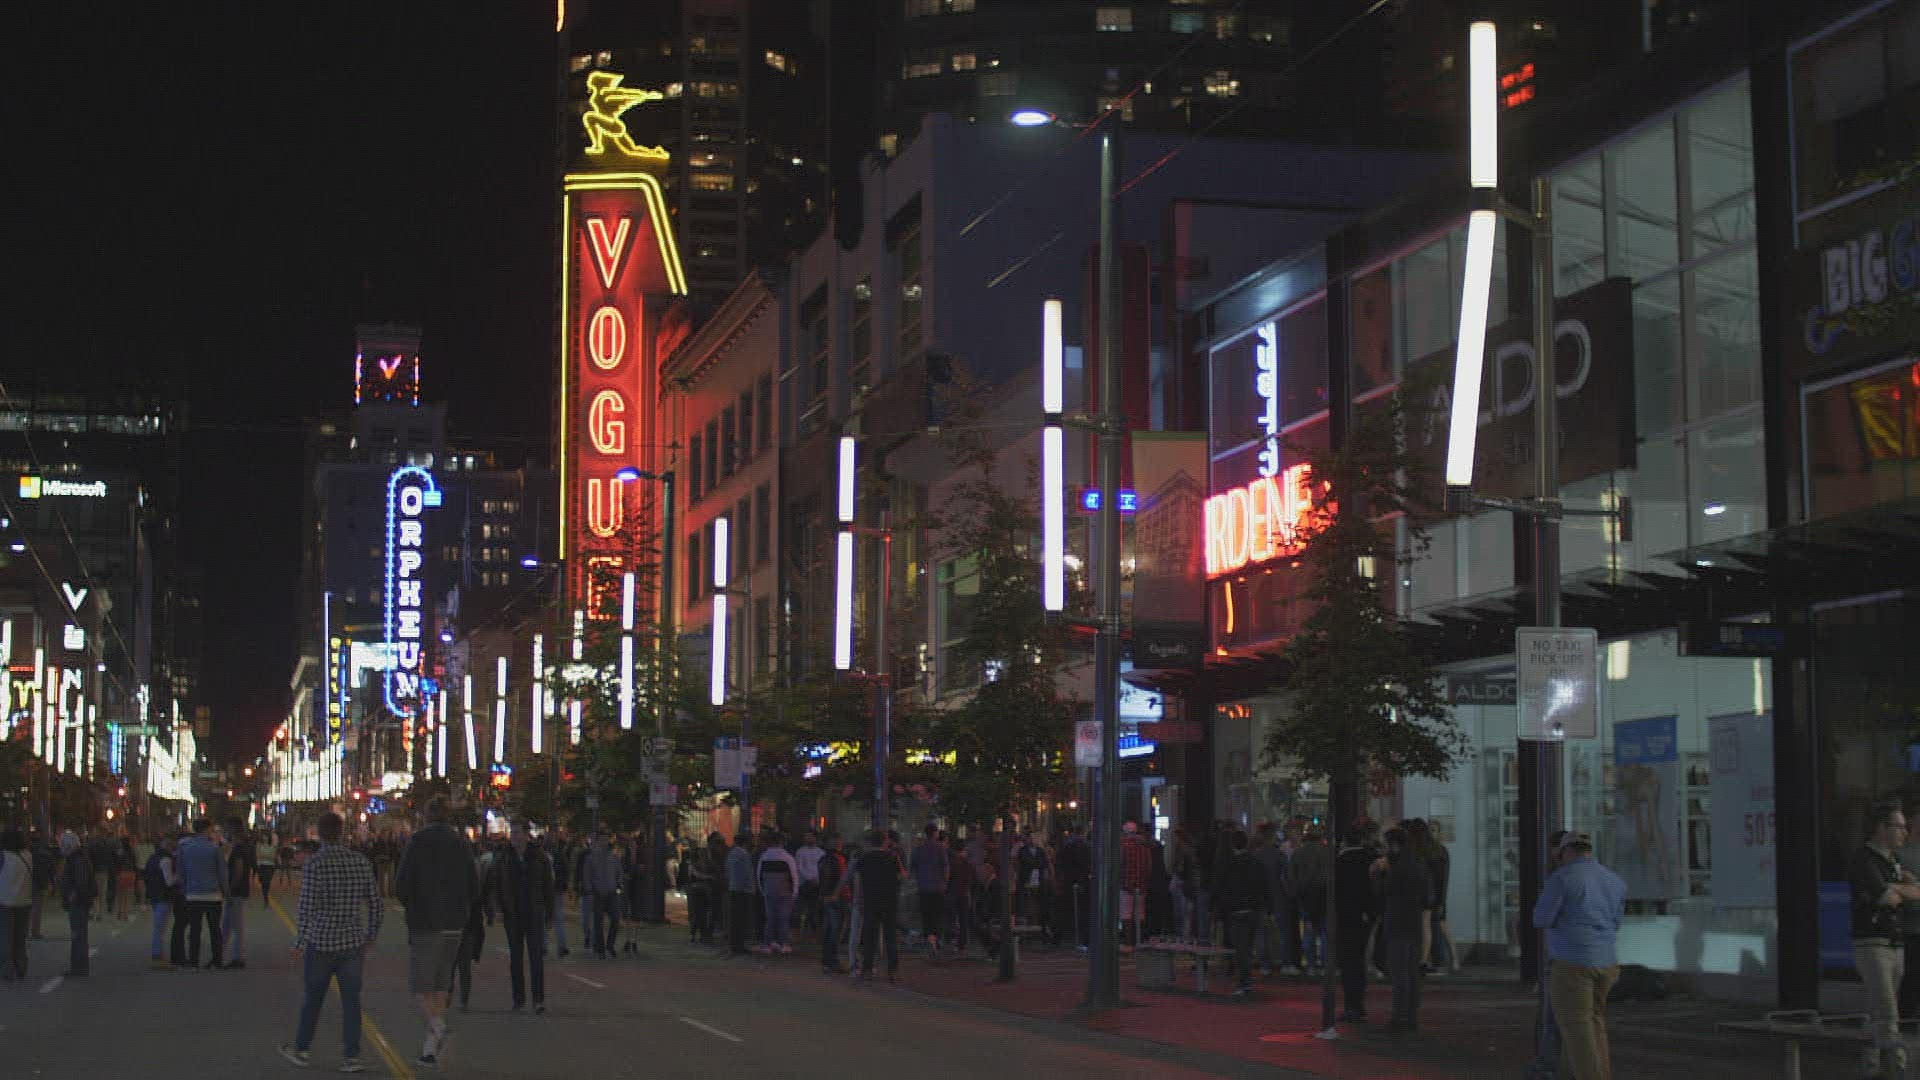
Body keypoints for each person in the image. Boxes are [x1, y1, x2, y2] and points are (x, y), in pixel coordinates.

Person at [279, 811, 381, 1073]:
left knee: (313, 998)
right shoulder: (360, 861)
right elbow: (375, 902)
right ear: (342, 832)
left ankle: (302, 1049)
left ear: (320, 834)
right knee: (351, 1001)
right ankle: (351, 1056)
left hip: (322, 940)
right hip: (352, 941)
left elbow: (307, 907)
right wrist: (371, 933)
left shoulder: (315, 864)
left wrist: (299, 942)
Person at [392, 798, 480, 1069]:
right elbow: (473, 885)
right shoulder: (461, 844)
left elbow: (401, 885)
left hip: (426, 923)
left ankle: (440, 1029)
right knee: (441, 986)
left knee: (421, 987)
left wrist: (413, 905)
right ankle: (429, 1050)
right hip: (455, 923)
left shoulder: (418, 842)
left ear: (427, 816)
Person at [1532, 831, 1627, 1080]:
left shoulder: (1562, 878)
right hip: (1607, 961)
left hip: (1572, 962)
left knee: (1577, 1031)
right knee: (1595, 1024)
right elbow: (1616, 922)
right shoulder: (1614, 880)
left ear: (1565, 852)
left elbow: (1541, 918)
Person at [1852, 804, 1920, 1080]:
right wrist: (1897, 890)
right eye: (1899, 827)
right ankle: (1897, 1068)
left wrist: (1895, 887)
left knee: (1877, 1009)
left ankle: (1872, 1066)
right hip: (1873, 942)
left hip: (1895, 941)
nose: (1904, 832)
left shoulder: (1894, 861)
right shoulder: (1865, 859)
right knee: (1887, 1010)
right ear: (1881, 828)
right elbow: (1886, 897)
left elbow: (1916, 890)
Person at [484, 821, 553, 1013]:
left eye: (517, 832)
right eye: (512, 833)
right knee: (516, 958)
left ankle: (538, 1000)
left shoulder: (539, 856)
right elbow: (495, 884)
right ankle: (518, 999)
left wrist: (549, 914)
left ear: (526, 834)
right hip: (512, 914)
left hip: (534, 913)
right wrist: (497, 909)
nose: (514, 836)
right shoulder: (504, 857)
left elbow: (548, 885)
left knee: (536, 958)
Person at [1376, 825, 1434, 1033]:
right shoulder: (1418, 865)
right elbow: (1428, 896)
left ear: (1394, 845)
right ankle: (1410, 1015)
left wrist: (1380, 873)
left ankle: (1399, 1016)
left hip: (1397, 922)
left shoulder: (1396, 868)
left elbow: (1383, 891)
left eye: (1385, 845)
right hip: (1413, 922)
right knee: (1411, 972)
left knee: (1399, 972)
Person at [1333, 818, 1380, 1022]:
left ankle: (1352, 1005)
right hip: (1364, 916)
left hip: (1346, 916)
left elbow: (1336, 891)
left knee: (1349, 961)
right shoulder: (1370, 859)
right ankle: (1357, 1003)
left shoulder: (1340, 861)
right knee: (1359, 959)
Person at [1213, 829, 1269, 996]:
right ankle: (1246, 980)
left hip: (1235, 910)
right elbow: (1264, 886)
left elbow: (1221, 888)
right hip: (1252, 909)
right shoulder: (1256, 863)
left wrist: (1220, 908)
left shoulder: (1229, 865)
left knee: (1240, 948)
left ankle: (1244, 982)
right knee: (1247, 946)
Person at [170, 818, 225, 969]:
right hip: (213, 894)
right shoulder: (214, 848)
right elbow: (221, 872)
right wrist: (226, 891)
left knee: (195, 929)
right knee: (215, 929)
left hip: (193, 894)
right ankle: (217, 960)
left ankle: (193, 960)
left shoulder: (185, 848)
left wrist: (184, 889)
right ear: (206, 829)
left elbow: (181, 872)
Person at [851, 829, 902, 983]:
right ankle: (892, 970)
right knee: (890, 936)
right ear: (885, 841)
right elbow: (902, 877)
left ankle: (867, 969)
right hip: (889, 901)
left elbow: (859, 881)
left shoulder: (864, 858)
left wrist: (860, 900)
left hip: (871, 900)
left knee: (870, 936)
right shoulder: (892, 857)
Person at [56, 831, 95, 976]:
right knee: (78, 935)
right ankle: (78, 966)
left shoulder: (77, 860)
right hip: (79, 901)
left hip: (78, 902)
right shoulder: (78, 858)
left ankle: (79, 967)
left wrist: (73, 896)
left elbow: (80, 882)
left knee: (78, 935)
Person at [581, 830, 623, 959]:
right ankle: (600, 948)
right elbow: (587, 875)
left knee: (615, 919)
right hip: (598, 893)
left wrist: (619, 885)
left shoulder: (613, 857)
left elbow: (619, 872)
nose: (604, 842)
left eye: (606, 839)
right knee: (598, 923)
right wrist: (589, 890)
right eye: (602, 840)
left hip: (612, 892)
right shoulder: (591, 858)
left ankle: (610, 945)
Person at [757, 831, 800, 954]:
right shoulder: (787, 857)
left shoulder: (764, 857)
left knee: (770, 918)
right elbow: (794, 876)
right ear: (782, 842)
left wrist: (762, 890)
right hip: (785, 891)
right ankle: (783, 943)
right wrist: (795, 891)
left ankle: (768, 943)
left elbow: (759, 875)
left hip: (768, 891)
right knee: (783, 918)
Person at [910, 824, 948, 957]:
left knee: (926, 915)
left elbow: (913, 867)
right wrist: (945, 882)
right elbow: (945, 867)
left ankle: (929, 939)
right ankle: (937, 940)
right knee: (938, 915)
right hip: (938, 887)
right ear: (935, 833)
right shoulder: (940, 848)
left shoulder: (919, 849)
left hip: (924, 887)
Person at [223, 817, 256, 968]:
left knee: (236, 925)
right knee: (229, 924)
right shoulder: (246, 847)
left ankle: (238, 957)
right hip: (240, 890)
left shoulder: (238, 849)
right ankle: (221, 951)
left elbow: (239, 869)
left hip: (236, 891)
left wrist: (231, 887)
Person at [1, 828, 32, 980]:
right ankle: (21, 966)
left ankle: (7, 969)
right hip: (24, 901)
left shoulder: (3, 856)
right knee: (20, 936)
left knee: (6, 937)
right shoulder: (28, 855)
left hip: (4, 901)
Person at [143, 835, 178, 969]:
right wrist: (179, 876)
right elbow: (169, 881)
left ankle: (158, 955)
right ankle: (157, 956)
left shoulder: (152, 858)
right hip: (164, 896)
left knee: (158, 927)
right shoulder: (166, 860)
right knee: (160, 928)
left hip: (154, 895)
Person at [1056, 823, 1091, 950]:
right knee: (1084, 910)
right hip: (1083, 881)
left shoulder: (1068, 846)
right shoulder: (1087, 846)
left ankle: (1068, 935)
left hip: (1070, 880)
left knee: (1069, 909)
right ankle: (1082, 937)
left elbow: (1061, 863)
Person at [818, 834, 849, 973]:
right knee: (835, 931)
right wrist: (838, 894)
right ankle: (832, 961)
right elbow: (843, 879)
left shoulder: (823, 859)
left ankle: (827, 961)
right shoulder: (838, 859)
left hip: (827, 897)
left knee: (829, 930)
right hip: (837, 898)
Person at [1119, 821, 1150, 952]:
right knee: (1140, 914)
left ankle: (1128, 943)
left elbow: (1120, 865)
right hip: (1141, 885)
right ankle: (1139, 941)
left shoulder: (1123, 847)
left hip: (1126, 885)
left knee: (1126, 915)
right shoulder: (1145, 847)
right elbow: (1148, 867)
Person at [724, 832, 755, 956]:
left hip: (733, 887)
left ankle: (734, 944)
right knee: (741, 919)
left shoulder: (731, 853)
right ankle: (739, 945)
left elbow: (727, 870)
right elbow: (746, 873)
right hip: (742, 890)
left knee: (734, 919)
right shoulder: (744, 854)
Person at [946, 833, 975, 954]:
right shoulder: (967, 864)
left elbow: (948, 878)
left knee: (951, 919)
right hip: (964, 893)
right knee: (963, 920)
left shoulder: (951, 863)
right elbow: (971, 880)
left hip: (953, 892)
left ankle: (950, 941)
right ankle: (961, 944)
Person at [793, 830, 825, 935]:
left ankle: (813, 929)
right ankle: (801, 929)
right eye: (805, 836)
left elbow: (822, 868)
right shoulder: (800, 851)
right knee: (803, 908)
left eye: (809, 836)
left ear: (815, 838)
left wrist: (817, 879)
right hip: (804, 883)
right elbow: (799, 867)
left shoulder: (821, 852)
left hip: (817, 883)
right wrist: (809, 878)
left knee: (814, 908)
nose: (807, 838)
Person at [256, 831, 279, 906]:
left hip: (270, 866)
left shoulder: (272, 846)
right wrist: (258, 866)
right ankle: (265, 896)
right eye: (263, 836)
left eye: (266, 836)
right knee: (263, 882)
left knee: (267, 882)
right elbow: (258, 856)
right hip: (262, 866)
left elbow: (273, 855)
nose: (265, 838)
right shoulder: (259, 845)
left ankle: (266, 896)